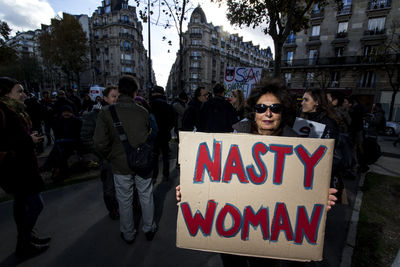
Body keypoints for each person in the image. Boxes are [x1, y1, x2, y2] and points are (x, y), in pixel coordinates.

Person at [176, 79, 337, 266]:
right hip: (231, 232)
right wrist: (189, 192)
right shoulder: (234, 138)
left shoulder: (296, 145)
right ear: (254, 111)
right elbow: (213, 182)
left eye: (275, 108)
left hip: (267, 238)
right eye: (261, 108)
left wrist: (316, 199)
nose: (267, 113)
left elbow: (300, 190)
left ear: (282, 111)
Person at [94, 75, 157, 244]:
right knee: (146, 195)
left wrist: (111, 155)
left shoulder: (106, 112)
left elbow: (99, 142)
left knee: (124, 199)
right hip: (142, 162)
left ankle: (128, 233)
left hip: (120, 164)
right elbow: (148, 135)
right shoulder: (143, 112)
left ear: (120, 91)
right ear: (135, 92)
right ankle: (149, 228)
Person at [0, 77, 50, 259]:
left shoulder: (15, 110)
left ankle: (28, 238)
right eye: (19, 91)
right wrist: (28, 140)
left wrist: (29, 137)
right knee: (36, 204)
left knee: (21, 205)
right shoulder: (3, 111)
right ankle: (23, 243)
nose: (24, 94)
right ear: (6, 94)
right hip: (16, 168)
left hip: (23, 164)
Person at [81, 85, 120, 220]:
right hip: (107, 159)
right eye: (113, 96)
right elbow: (86, 137)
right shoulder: (94, 116)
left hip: (122, 159)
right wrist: (101, 153)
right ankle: (113, 210)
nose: (117, 99)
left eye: (118, 96)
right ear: (105, 98)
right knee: (109, 189)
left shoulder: (121, 113)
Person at [150, 85, 175, 181]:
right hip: (165, 133)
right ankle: (166, 174)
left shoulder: (150, 104)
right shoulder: (168, 105)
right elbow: (173, 120)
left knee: (154, 155)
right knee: (165, 154)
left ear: (155, 93)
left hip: (153, 135)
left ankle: (154, 175)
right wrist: (168, 128)